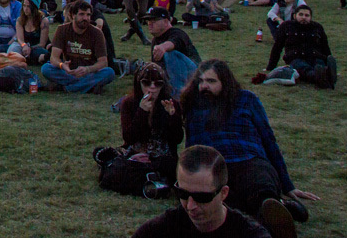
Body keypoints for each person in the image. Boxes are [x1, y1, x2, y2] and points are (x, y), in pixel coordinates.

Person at [180, 59, 318, 234]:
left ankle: (274, 212)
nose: (204, 86)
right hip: (217, 167)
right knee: (226, 204)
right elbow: (192, 150)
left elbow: (269, 141)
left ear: (225, 82)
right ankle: (278, 215)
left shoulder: (246, 99)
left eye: (211, 81)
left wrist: (288, 185)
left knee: (261, 191)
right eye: (201, 81)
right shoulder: (194, 107)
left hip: (251, 161)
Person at [131, 145, 272, 238]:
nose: (190, 206)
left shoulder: (249, 234)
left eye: (202, 197)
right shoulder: (161, 230)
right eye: (183, 194)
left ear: (223, 193)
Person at [93, 62, 184, 197]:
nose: (152, 88)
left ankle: (150, 181)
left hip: (162, 158)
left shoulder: (171, 104)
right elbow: (129, 138)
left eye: (157, 84)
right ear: (139, 83)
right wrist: (142, 112)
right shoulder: (129, 103)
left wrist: (173, 117)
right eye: (147, 83)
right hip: (135, 155)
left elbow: (177, 139)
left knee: (169, 166)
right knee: (101, 153)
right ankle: (150, 181)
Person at [41, 0, 116, 94]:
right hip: (69, 72)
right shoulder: (62, 30)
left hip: (89, 73)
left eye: (88, 15)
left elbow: (103, 62)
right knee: (46, 68)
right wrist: (63, 65)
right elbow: (54, 58)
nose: (85, 18)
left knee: (109, 73)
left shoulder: (97, 33)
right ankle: (88, 86)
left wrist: (88, 69)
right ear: (73, 15)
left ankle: (70, 88)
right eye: (82, 14)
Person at [262, 4, 336, 88]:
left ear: (310, 17)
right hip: (296, 58)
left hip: (315, 57)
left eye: (307, 15)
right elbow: (277, 48)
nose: (304, 17)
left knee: (319, 65)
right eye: (301, 14)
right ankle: (322, 77)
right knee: (304, 69)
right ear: (294, 16)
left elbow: (325, 47)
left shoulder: (317, 27)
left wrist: (328, 61)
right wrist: (270, 66)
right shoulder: (286, 26)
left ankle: (326, 73)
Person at [144, 7, 201, 92]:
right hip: (174, 77)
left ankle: (178, 96)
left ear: (166, 22)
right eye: (148, 21)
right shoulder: (155, 40)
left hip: (196, 75)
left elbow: (174, 42)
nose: (150, 24)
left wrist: (163, 47)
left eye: (154, 21)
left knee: (170, 54)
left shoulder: (177, 33)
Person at [10, 0, 51, 65]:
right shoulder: (20, 20)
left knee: (41, 53)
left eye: (28, 6)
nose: (25, 9)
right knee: (4, 47)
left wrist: (30, 48)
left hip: (37, 48)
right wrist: (24, 46)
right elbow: (20, 39)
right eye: (24, 6)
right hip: (24, 47)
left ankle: (25, 59)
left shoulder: (43, 21)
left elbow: (42, 44)